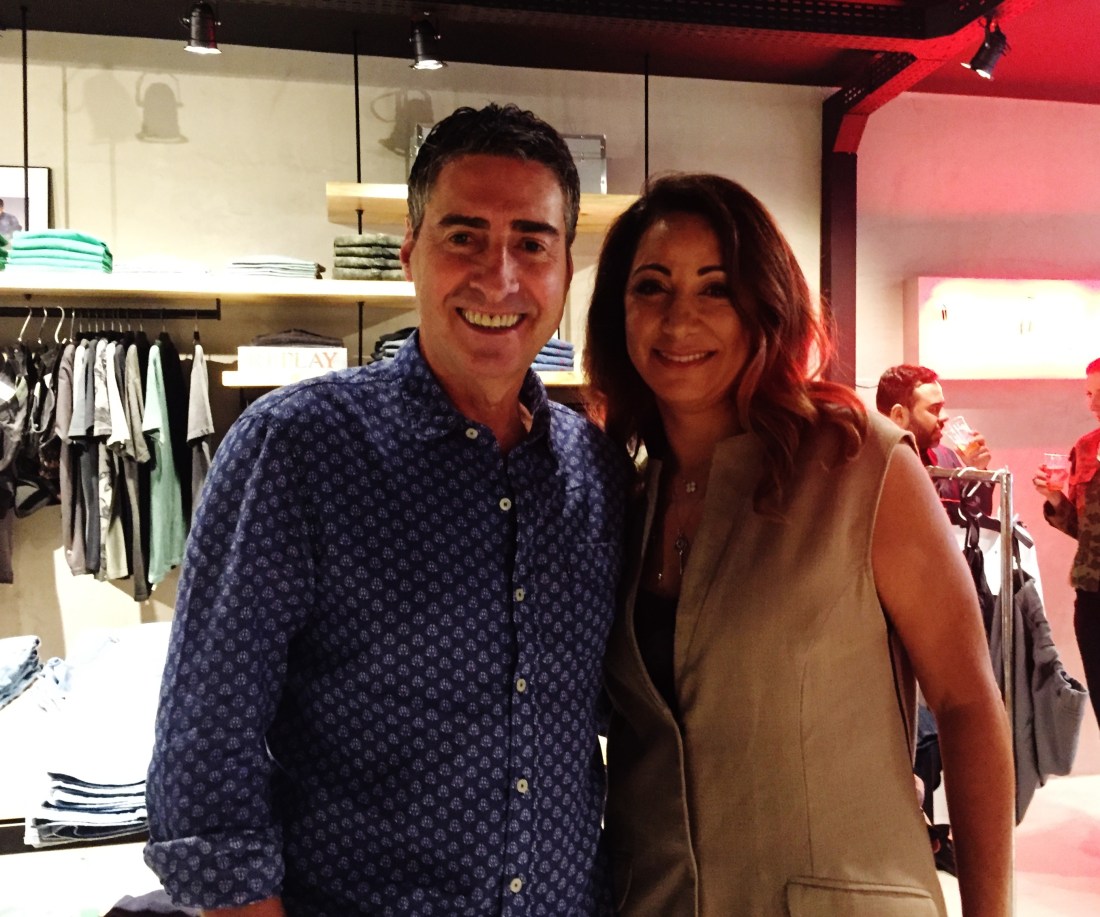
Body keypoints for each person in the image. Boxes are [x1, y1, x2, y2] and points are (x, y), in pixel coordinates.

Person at [144, 103, 627, 916]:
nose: (499, 277)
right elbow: (207, 750)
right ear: (410, 254)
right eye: (464, 236)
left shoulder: (595, 473)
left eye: (531, 243)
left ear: (566, 270)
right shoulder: (297, 449)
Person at [584, 173, 1012, 916]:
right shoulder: (626, 496)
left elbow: (967, 701)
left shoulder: (860, 462)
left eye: (716, 288)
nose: (680, 318)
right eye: (651, 287)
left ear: (767, 305)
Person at [1034, 356, 1100, 731]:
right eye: (1089, 394)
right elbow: (1082, 528)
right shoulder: (1085, 448)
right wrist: (1055, 498)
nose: (1094, 403)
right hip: (1092, 594)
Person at [876, 364, 994, 520]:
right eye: (933, 409)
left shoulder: (946, 458)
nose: (944, 416)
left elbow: (975, 522)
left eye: (942, 407)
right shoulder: (873, 467)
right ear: (899, 415)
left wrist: (978, 473)